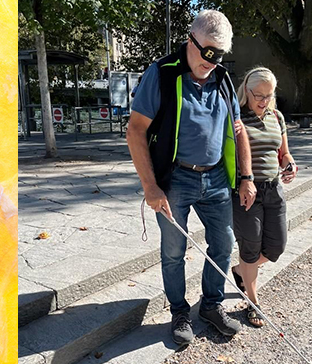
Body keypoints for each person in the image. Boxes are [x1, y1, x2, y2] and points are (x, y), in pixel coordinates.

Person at [126, 10, 256, 346]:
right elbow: (136, 130)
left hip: (215, 178)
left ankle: (211, 305)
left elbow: (239, 131)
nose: (210, 63)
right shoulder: (163, 74)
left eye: (219, 57)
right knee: (173, 249)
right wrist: (150, 185)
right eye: (206, 53)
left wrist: (246, 176)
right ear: (191, 41)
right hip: (175, 179)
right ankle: (179, 310)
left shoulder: (223, 79)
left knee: (224, 244)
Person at [231, 67, 298, 327]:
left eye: (268, 95)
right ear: (246, 90)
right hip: (246, 190)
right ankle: (253, 302)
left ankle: (240, 271)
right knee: (250, 249)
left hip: (273, 189)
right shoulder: (236, 118)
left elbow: (284, 152)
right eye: (258, 95)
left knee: (276, 247)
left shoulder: (277, 116)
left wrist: (289, 163)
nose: (263, 100)